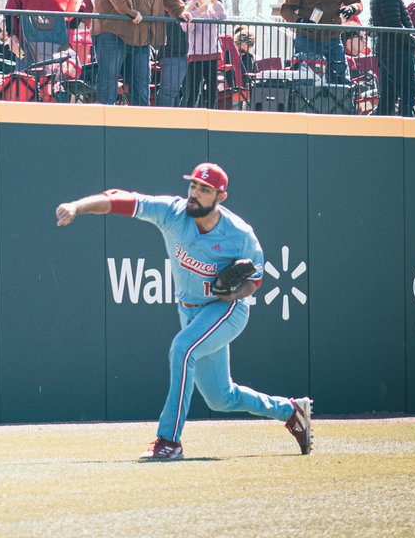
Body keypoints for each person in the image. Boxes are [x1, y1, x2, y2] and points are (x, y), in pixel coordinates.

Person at [55, 162, 313, 461]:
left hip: (225, 310)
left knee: (182, 349)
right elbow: (119, 200)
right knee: (220, 397)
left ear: (220, 197)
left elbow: (254, 281)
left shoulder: (240, 234)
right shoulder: (172, 212)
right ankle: (291, 410)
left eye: (205, 190)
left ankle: (168, 441)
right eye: (193, 185)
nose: (195, 193)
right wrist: (77, 206)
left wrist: (231, 292)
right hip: (189, 310)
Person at [278, 0, 361, 84]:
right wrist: (299, 21)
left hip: (333, 38)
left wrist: (352, 8)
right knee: (308, 79)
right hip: (307, 38)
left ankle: (341, 104)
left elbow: (357, 3)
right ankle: (305, 105)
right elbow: (286, 9)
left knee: (340, 77)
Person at [369, 0, 415, 116]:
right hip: (396, 53)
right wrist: (412, 41)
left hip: (388, 51)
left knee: (388, 98)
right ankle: (407, 132)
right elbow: (394, 25)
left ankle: (381, 134)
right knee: (408, 93)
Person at [184, 0, 226, 109]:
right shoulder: (189, 11)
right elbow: (186, 27)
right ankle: (191, 114)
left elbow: (222, 18)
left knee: (212, 88)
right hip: (196, 55)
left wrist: (216, 3)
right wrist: (195, 13)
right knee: (194, 89)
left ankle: (211, 111)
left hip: (212, 54)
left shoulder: (211, 11)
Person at [156, 0, 194, 108]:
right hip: (174, 48)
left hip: (196, 52)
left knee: (192, 94)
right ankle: (161, 125)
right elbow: (167, 3)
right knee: (169, 91)